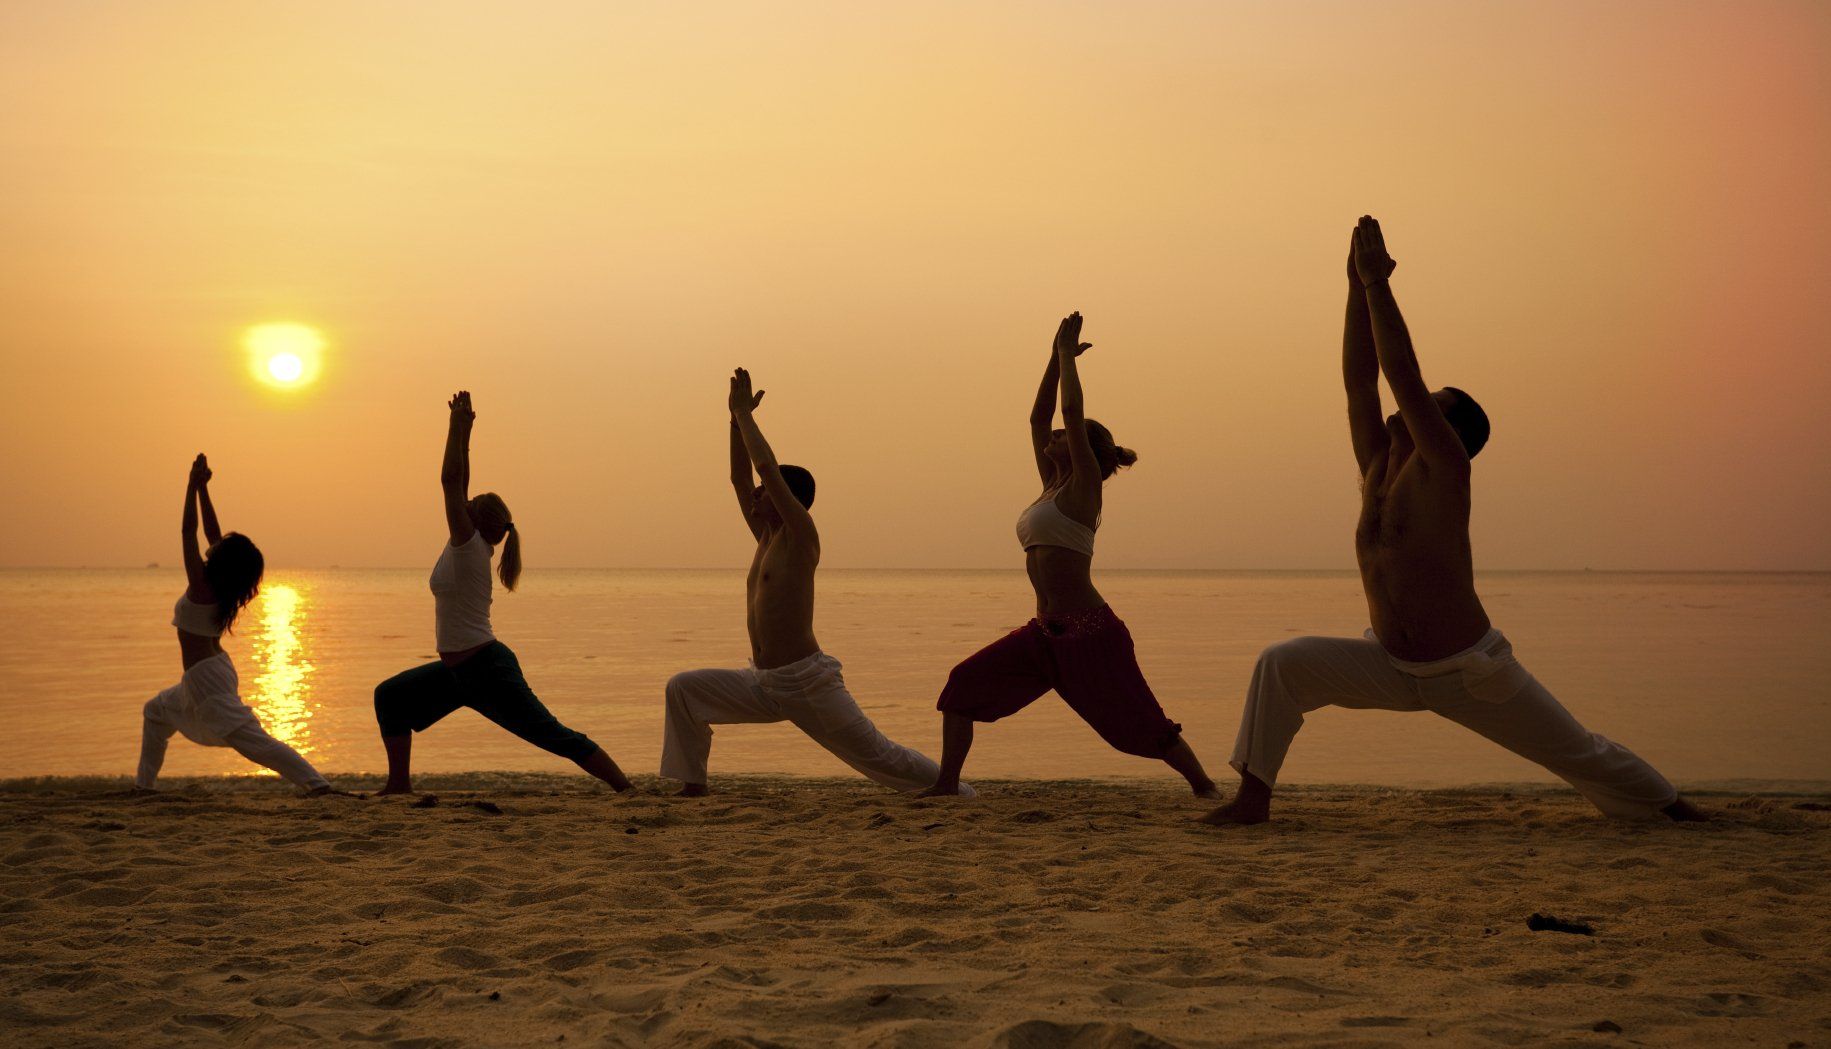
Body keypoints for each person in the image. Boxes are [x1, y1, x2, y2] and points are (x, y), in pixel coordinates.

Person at [1201, 217, 1704, 825]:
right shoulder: (1380, 468)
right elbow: (1360, 384)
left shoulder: (1444, 471)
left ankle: (1675, 809)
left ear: (1449, 436)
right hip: (1391, 664)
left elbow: (1401, 379)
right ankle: (1252, 801)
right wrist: (1354, 289)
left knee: (1580, 753)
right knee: (1282, 663)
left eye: (1430, 410)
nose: (1406, 410)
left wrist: (1379, 285)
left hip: (1469, 673)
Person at [921, 313, 1220, 799]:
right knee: (963, 686)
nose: (1054, 436)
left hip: (1091, 634)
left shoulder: (1084, 488)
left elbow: (1072, 416)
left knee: (1139, 724)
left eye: (1064, 436)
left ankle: (1204, 786)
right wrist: (1051, 359)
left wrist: (1067, 358)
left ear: (1085, 449)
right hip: (1044, 634)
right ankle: (947, 784)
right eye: (1056, 436)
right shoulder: (1049, 486)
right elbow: (1038, 418)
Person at [660, 369, 966, 797]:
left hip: (805, 682)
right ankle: (694, 786)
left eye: (765, 491)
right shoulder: (765, 539)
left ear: (785, 496)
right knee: (685, 689)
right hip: (763, 682)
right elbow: (739, 478)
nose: (755, 496)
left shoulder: (800, 537)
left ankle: (955, 790)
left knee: (879, 755)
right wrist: (733, 420)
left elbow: (763, 466)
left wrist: (747, 415)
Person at [373, 391, 631, 795]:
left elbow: (450, 481)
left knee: (551, 734)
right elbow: (461, 483)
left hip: (486, 670)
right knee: (391, 697)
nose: (464, 502)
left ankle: (626, 788)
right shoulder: (468, 545)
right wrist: (467, 432)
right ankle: (398, 786)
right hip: (460, 673)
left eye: (469, 504)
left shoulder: (468, 547)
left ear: (476, 519)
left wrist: (454, 426)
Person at [135, 454, 333, 794]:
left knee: (254, 742)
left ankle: (317, 785)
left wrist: (189, 485)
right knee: (155, 713)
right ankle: (143, 788)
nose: (218, 542)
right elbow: (212, 533)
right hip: (206, 672)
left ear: (224, 561)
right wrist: (202, 490)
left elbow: (189, 531)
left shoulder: (202, 585)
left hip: (207, 678)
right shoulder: (219, 587)